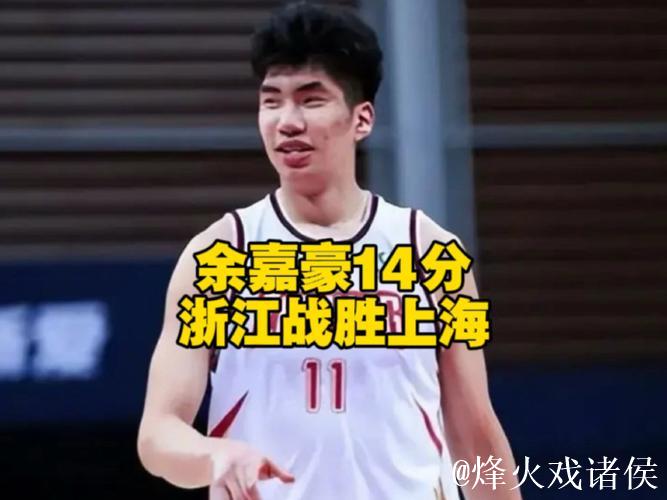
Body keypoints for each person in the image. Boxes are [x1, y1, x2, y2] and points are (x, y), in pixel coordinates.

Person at [136, 2, 522, 499]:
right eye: (271, 102)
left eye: (311, 100)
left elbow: (475, 435)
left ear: (362, 119)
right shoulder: (219, 255)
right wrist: (214, 455)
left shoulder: (429, 252)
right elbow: (159, 434)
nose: (287, 122)